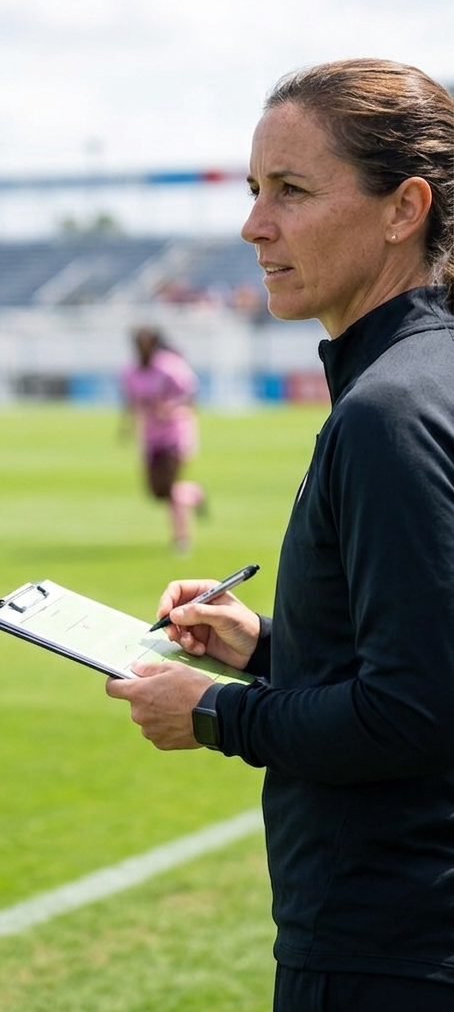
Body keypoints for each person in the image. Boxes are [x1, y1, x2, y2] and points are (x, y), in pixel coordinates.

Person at [107, 59, 454, 1011]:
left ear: (404, 208)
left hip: (388, 948)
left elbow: (418, 711)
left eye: (291, 192)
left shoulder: (391, 410)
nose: (255, 224)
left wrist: (215, 713)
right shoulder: (420, 380)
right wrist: (268, 649)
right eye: (257, 190)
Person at [120, 325, 206, 554]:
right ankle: (195, 493)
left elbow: (190, 395)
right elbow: (131, 402)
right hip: (151, 437)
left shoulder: (170, 366)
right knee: (157, 491)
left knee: (169, 490)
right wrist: (126, 427)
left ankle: (181, 539)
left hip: (175, 434)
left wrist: (171, 408)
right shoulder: (131, 371)